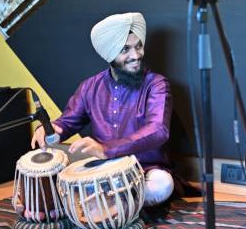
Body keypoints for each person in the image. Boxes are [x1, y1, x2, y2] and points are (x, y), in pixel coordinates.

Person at [31, 12, 175, 207]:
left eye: (138, 46)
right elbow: (67, 122)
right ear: (110, 53)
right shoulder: (90, 87)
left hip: (144, 169)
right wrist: (52, 129)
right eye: (125, 49)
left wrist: (107, 149)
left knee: (162, 184)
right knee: (56, 163)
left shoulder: (156, 84)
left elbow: (159, 130)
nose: (136, 55)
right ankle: (113, 202)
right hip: (101, 168)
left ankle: (102, 203)